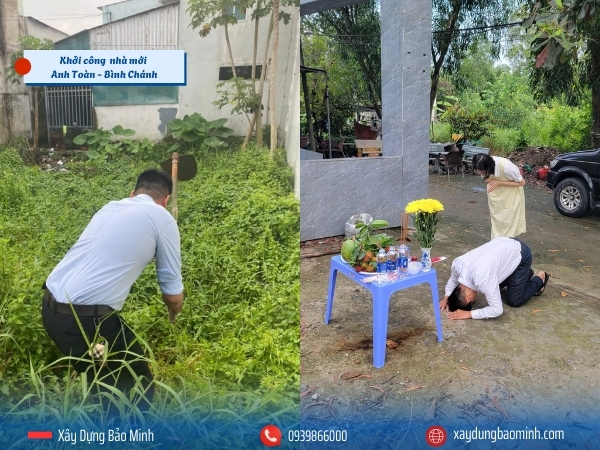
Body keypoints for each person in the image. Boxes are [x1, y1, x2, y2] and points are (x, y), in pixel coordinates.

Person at [41, 169, 184, 414]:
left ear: (132, 193)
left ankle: (102, 419)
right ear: (166, 201)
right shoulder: (163, 217)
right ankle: (128, 435)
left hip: (49, 309)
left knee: (105, 378)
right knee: (136, 383)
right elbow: (173, 294)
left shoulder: (111, 206)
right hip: (85, 322)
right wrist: (175, 310)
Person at [439, 237, 549, 320]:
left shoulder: (483, 279)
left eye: (472, 301)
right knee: (494, 288)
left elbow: (497, 310)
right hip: (505, 243)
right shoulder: (457, 265)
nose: (474, 299)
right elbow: (453, 281)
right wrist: (447, 296)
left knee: (514, 301)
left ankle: (540, 278)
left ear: (468, 298)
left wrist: (469, 314)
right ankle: (522, 275)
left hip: (521, 253)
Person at [472, 153, 526, 239]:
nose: (480, 173)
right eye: (478, 171)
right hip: (496, 194)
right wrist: (494, 182)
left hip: (511, 194)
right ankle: (497, 243)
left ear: (489, 167)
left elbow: (522, 182)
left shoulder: (507, 167)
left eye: (483, 171)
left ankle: (508, 243)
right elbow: (485, 178)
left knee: (509, 221)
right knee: (497, 221)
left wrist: (499, 183)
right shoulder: (481, 166)